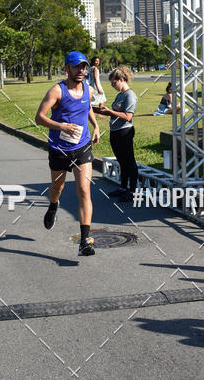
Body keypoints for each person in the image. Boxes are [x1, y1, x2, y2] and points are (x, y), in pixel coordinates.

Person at [35, 51, 101, 257]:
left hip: (82, 147)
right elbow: (39, 117)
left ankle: (84, 241)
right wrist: (61, 126)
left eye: (84, 66)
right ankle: (53, 205)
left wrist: (96, 125)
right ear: (67, 69)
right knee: (57, 187)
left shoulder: (88, 90)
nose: (81, 70)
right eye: (77, 66)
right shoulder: (57, 91)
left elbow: (87, 107)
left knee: (84, 190)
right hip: (59, 149)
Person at [95, 66, 138, 202]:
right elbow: (114, 113)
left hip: (125, 131)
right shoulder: (120, 95)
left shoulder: (130, 95)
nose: (113, 86)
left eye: (114, 83)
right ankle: (123, 187)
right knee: (121, 161)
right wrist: (97, 110)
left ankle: (132, 190)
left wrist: (110, 112)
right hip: (115, 132)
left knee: (129, 161)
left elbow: (127, 116)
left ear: (121, 79)